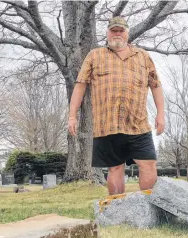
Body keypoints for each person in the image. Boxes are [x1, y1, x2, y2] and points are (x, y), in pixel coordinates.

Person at [68, 16, 165, 195]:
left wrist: (161, 114)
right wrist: (72, 115)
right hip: (107, 124)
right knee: (115, 168)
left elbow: (156, 85)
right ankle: (117, 209)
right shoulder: (94, 56)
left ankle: (149, 207)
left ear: (127, 33)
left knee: (148, 164)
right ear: (108, 33)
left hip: (138, 123)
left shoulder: (143, 56)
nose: (117, 34)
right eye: (114, 31)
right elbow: (80, 85)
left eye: (121, 31)